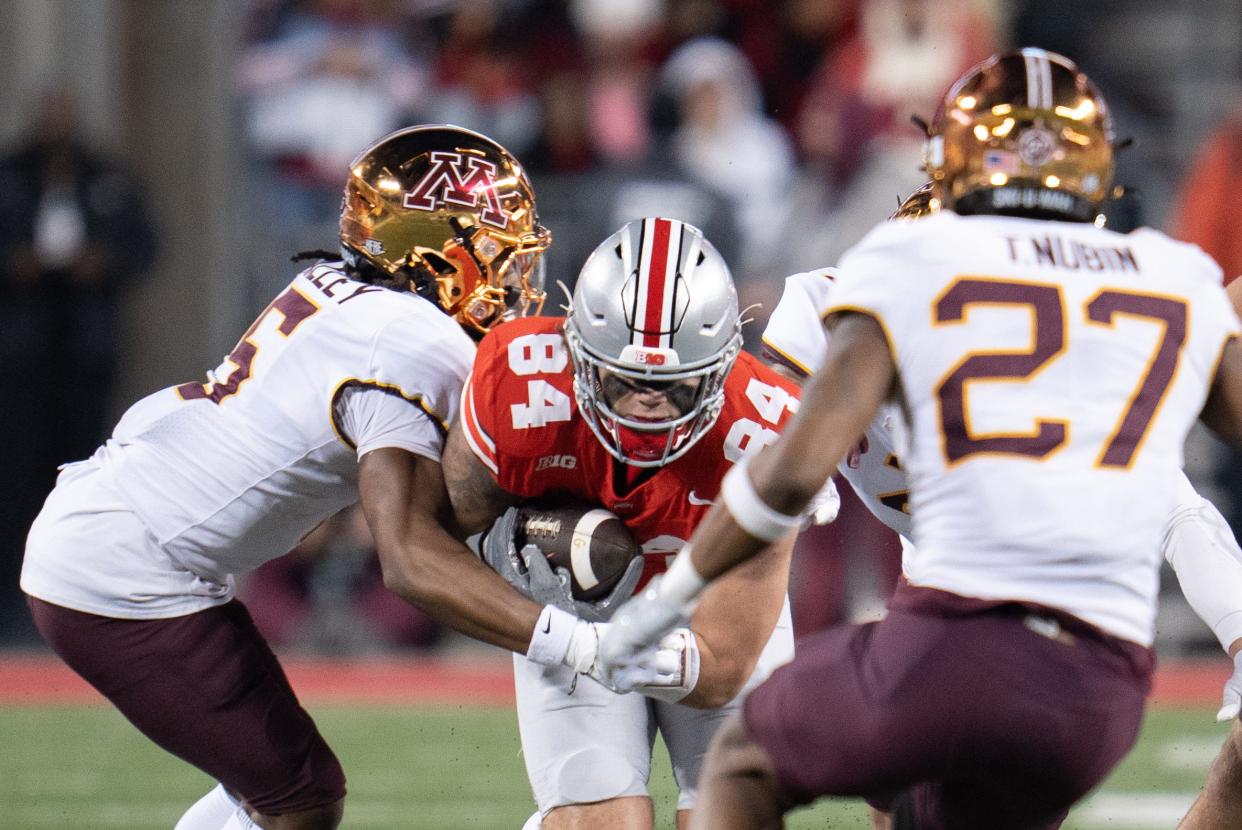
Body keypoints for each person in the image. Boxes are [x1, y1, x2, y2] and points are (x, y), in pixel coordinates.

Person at [598, 48, 1242, 829]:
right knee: (919, 797)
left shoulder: (911, 263)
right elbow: (1182, 507)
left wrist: (663, 602)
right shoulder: (1168, 279)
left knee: (743, 758)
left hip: (959, 642)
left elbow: (785, 472)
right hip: (1100, 685)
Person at [20, 124, 642, 830]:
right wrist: (580, 644)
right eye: (496, 251)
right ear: (436, 250)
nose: (510, 277)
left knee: (274, 786)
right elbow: (410, 560)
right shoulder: (411, 338)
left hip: (122, 530)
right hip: (125, 571)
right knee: (299, 797)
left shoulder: (343, 287)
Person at [764, 186, 1242, 828]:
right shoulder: (838, 313)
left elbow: (1178, 513)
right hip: (939, 582)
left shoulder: (1063, 373)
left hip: (1058, 606)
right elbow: (759, 446)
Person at [441, 216, 832, 829]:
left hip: (711, 614)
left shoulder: (763, 432)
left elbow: (722, 668)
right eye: (625, 378)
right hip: (567, 600)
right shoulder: (520, 381)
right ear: (578, 351)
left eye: (676, 385)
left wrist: (612, 647)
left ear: (725, 362)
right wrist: (504, 552)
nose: (649, 402)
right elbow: (445, 533)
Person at [0, 83, 156, 642]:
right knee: (16, 474)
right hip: (20, 350)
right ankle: (11, 604)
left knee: (81, 474)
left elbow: (144, 244)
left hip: (86, 348)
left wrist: (104, 262)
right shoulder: (10, 175)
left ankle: (77, 600)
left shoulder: (105, 177)